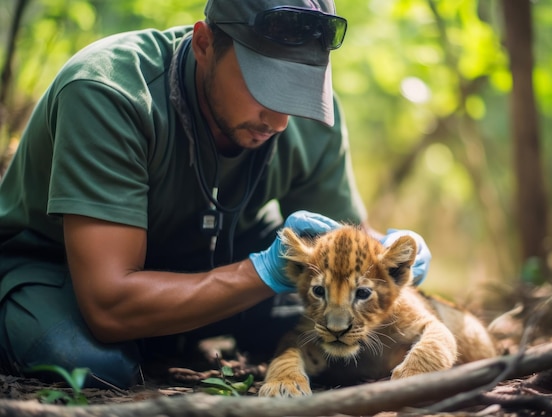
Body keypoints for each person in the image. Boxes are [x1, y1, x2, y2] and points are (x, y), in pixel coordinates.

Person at [0, 0, 431, 390]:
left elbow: (345, 251)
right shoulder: (108, 92)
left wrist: (387, 252)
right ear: (204, 44)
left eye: (298, 92)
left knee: (347, 332)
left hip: (217, 257)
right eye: (264, 86)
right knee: (88, 364)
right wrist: (261, 273)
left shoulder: (312, 122)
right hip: (58, 272)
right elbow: (108, 303)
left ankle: (175, 335)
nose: (280, 120)